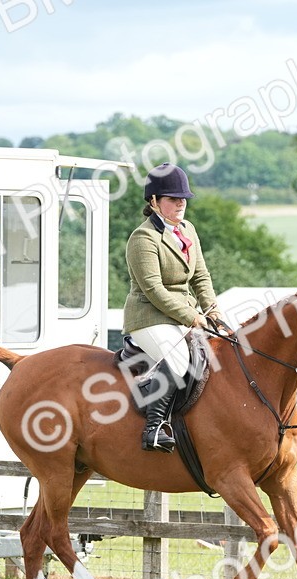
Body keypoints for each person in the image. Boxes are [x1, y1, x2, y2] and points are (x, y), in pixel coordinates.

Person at [123, 163, 222, 452]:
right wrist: (192, 316)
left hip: (182, 315)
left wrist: (212, 310)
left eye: (183, 199)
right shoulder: (143, 239)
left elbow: (201, 276)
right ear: (154, 201)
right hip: (148, 317)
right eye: (172, 199)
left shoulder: (188, 229)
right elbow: (154, 290)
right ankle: (154, 429)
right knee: (179, 362)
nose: (180, 204)